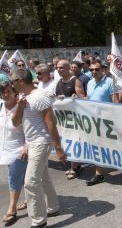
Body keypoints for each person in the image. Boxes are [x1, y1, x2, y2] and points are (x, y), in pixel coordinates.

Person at [11, 68, 67, 228]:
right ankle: (53, 207)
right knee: (43, 177)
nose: (11, 85)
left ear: (20, 81)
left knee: (30, 182)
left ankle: (38, 220)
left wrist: (58, 148)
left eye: (13, 82)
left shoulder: (39, 96)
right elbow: (16, 123)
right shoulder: (23, 97)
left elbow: (51, 123)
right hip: (32, 143)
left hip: (41, 143)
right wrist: (20, 107)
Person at [85, 59, 119, 186]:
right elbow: (89, 99)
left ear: (103, 70)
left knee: (114, 145)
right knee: (96, 146)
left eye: (96, 69)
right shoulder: (89, 83)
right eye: (91, 69)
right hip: (93, 121)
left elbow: (115, 102)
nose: (94, 72)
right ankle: (99, 174)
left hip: (108, 122)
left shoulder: (110, 82)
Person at [0, 81, 27, 226]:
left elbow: (31, 128)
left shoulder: (22, 105)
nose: (5, 94)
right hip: (5, 149)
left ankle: (12, 209)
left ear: (14, 91)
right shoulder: (0, 105)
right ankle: (30, 199)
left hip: (19, 149)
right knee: (22, 178)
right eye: (2, 92)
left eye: (8, 91)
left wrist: (26, 145)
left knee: (13, 178)